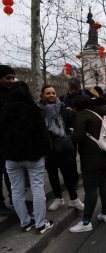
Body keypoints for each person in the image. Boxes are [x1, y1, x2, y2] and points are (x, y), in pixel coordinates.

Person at [0, 81, 54, 234]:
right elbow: (43, 134)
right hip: (33, 155)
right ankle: (40, 223)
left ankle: (25, 222)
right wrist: (45, 151)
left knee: (16, 190)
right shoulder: (34, 109)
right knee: (37, 188)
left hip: (11, 156)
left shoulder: (4, 110)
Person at [69, 94, 106, 233]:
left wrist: (69, 134)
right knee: (104, 184)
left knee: (90, 189)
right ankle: (105, 214)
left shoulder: (82, 114)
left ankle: (86, 222)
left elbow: (77, 137)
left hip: (92, 158)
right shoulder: (99, 112)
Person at [39, 85, 84, 211]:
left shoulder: (63, 108)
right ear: (42, 95)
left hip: (63, 146)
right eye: (48, 93)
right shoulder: (39, 110)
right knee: (52, 174)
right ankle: (58, 198)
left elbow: (71, 125)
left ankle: (74, 199)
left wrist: (68, 136)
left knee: (68, 174)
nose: (52, 95)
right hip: (49, 148)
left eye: (53, 93)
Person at [0, 65, 14, 216]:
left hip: (10, 140)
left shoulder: (11, 94)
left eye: (12, 77)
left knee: (11, 171)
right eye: (7, 78)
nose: (11, 80)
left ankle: (14, 198)